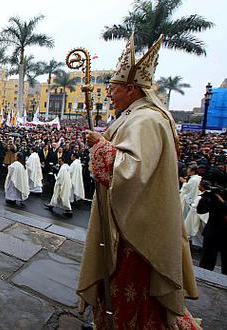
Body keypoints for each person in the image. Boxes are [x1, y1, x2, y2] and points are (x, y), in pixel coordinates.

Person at [78, 34, 199, 328]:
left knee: (132, 296)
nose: (109, 94)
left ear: (131, 89)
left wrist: (100, 147)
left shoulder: (147, 120)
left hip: (135, 233)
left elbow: (131, 172)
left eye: (113, 88)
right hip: (128, 220)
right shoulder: (136, 115)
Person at [196, 183, 227, 274]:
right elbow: (201, 210)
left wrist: (222, 202)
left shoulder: (221, 197)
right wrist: (205, 197)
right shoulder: (215, 195)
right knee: (206, 263)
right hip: (212, 233)